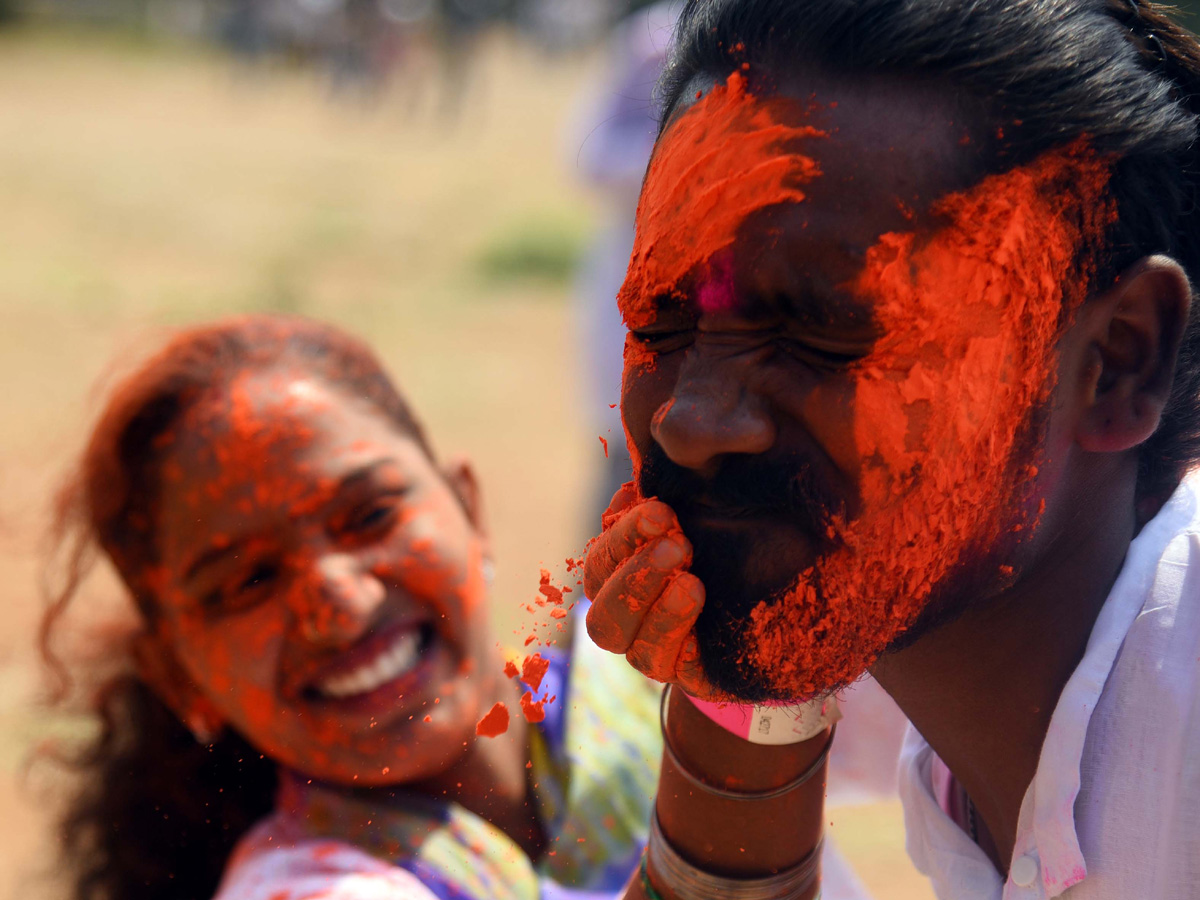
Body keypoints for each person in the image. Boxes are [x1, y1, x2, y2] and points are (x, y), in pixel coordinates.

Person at [582, 1, 1200, 898]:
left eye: (825, 334)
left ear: (1114, 365)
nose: (692, 420)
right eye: (665, 318)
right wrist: (741, 679)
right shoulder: (919, 646)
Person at [40, 314, 662, 900]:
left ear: (468, 509)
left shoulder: (658, 687)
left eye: (370, 516)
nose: (340, 605)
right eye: (249, 581)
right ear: (179, 675)